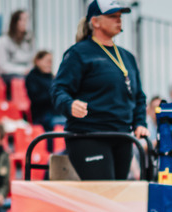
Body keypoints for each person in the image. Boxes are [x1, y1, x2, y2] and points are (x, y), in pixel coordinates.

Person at [51, 0, 148, 181]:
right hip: (89, 135)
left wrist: (140, 123)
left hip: (122, 136)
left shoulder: (128, 57)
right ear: (95, 22)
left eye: (119, 16)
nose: (118, 20)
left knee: (117, 192)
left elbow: (138, 97)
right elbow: (59, 89)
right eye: (112, 16)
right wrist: (69, 105)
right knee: (105, 191)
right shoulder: (79, 53)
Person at [0, 9, 33, 96]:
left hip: (26, 74)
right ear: (14, 22)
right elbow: (2, 66)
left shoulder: (28, 40)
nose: (25, 23)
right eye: (22, 20)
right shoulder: (2, 41)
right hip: (8, 76)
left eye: (27, 20)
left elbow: (31, 61)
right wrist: (23, 70)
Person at [26, 50, 65, 133]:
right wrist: (53, 93)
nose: (50, 64)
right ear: (38, 61)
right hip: (41, 115)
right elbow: (36, 98)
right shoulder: (32, 77)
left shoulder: (51, 77)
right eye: (47, 61)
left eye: (51, 62)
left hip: (55, 113)